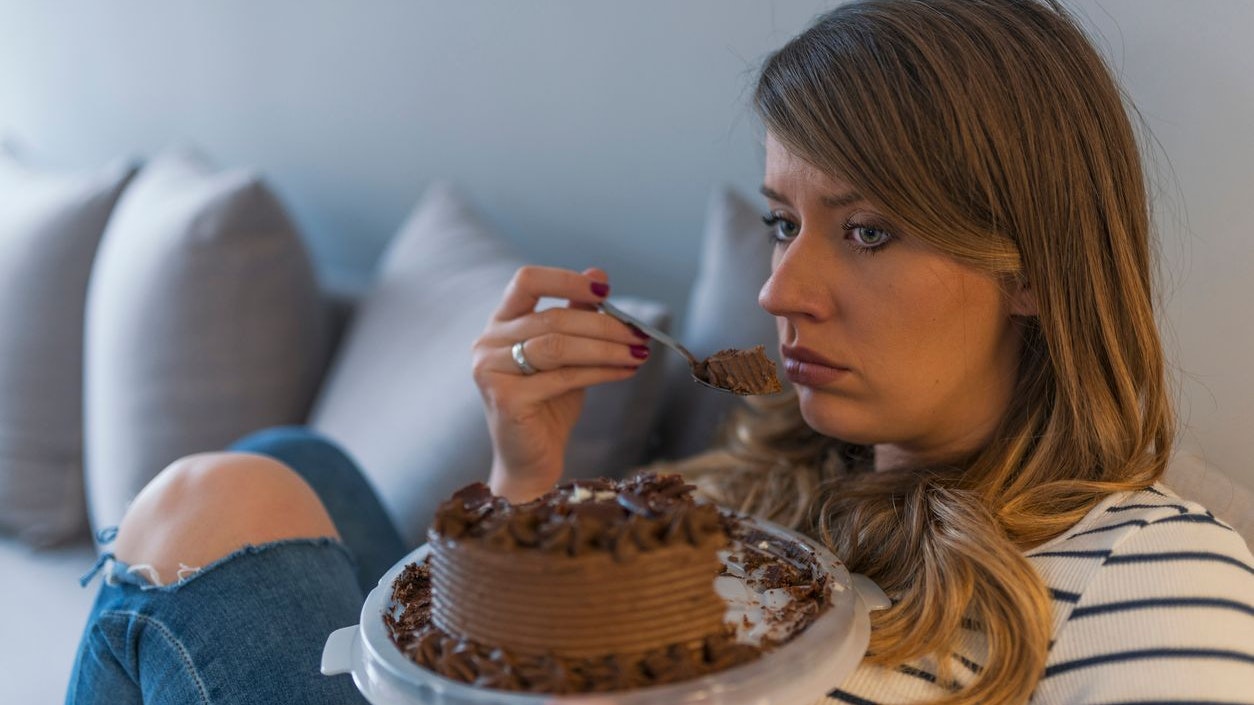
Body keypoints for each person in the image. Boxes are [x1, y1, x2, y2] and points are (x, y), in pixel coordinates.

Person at [67, 1, 1254, 704]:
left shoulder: (1158, 575)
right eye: (784, 222)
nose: (779, 287)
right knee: (294, 462)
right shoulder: (749, 486)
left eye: (870, 230)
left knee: (212, 500)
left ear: (1036, 267)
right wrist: (527, 485)